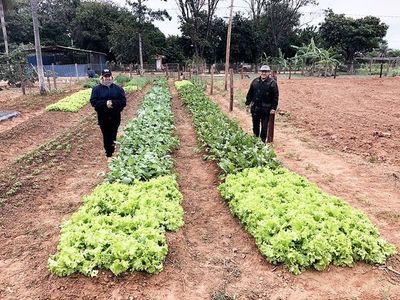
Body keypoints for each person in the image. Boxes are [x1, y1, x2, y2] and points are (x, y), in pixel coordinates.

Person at [90, 69, 126, 159]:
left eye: (108, 76)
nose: (107, 78)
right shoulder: (96, 89)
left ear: (112, 77)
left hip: (115, 116)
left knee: (113, 133)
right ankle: (108, 153)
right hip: (103, 117)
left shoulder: (118, 89)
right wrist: (105, 104)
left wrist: (113, 103)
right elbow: (93, 102)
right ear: (102, 78)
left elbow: (123, 102)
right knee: (106, 134)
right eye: (105, 76)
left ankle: (112, 150)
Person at [245, 65, 279, 143]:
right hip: (255, 108)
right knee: (255, 125)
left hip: (266, 109)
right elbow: (250, 94)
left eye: (266, 72)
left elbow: (275, 97)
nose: (264, 73)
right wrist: (247, 104)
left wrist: (273, 108)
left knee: (264, 127)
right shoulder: (255, 82)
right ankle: (255, 139)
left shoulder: (272, 83)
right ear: (260, 72)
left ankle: (262, 142)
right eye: (262, 71)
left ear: (269, 73)